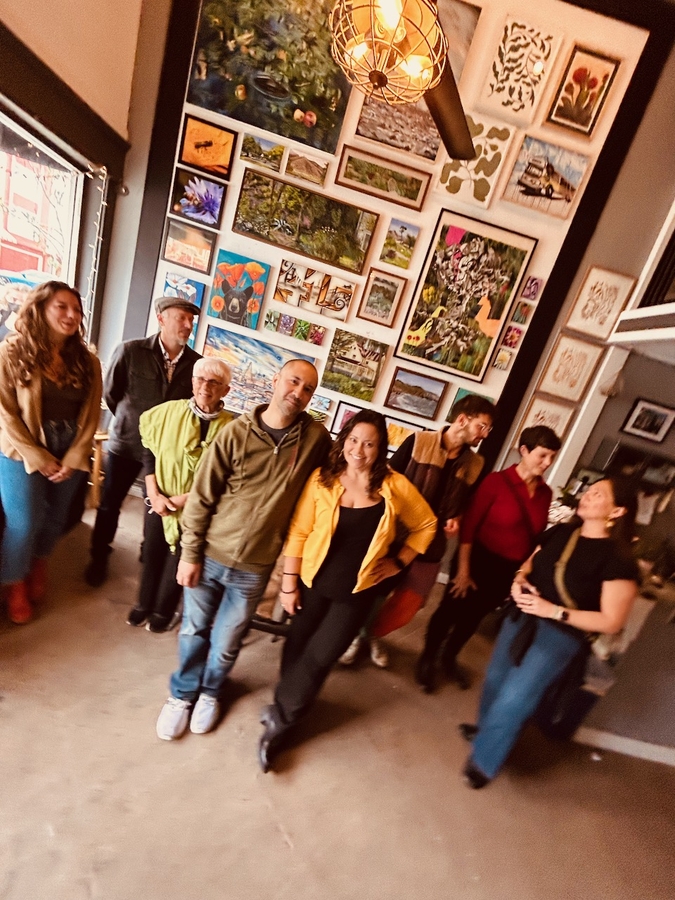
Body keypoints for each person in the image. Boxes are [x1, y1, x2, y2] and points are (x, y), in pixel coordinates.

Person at [155, 359, 332, 741]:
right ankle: (182, 694)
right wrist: (190, 553)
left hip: (255, 565)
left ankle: (210, 691)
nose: (298, 393)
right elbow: (202, 497)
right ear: (275, 380)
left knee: (227, 640)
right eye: (293, 382)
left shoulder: (316, 440)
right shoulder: (235, 433)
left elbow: (337, 478)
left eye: (308, 389)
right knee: (193, 630)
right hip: (211, 553)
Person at [257, 410, 437, 772]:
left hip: (357, 592)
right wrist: (288, 584)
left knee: (321, 655)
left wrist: (400, 561)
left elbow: (426, 524)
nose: (359, 449)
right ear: (344, 440)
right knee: (297, 648)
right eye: (354, 440)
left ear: (380, 448)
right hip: (311, 583)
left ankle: (279, 722)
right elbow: (299, 532)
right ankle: (290, 708)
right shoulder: (322, 479)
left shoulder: (394, 485)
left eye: (369, 443)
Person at [461, 476, 639, 788]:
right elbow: (530, 562)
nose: (587, 496)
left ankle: (484, 762)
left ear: (617, 511)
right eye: (589, 490)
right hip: (521, 617)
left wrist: (553, 611)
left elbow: (611, 621)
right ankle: (486, 732)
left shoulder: (619, 560)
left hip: (560, 635)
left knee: (516, 697)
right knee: (496, 680)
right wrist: (518, 580)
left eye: (598, 494)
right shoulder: (562, 532)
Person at [339, 394, 495, 668]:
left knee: (410, 603)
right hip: (395, 536)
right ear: (462, 420)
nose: (485, 434)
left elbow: (466, 503)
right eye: (482, 426)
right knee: (374, 591)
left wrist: (456, 518)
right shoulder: (419, 441)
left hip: (432, 545)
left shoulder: (476, 464)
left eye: (488, 429)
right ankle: (356, 637)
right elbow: (385, 481)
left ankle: (371, 634)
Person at [416, 425, 561, 692]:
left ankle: (448, 658)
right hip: (476, 559)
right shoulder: (496, 482)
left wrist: (521, 573)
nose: (548, 463)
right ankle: (427, 658)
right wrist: (463, 571)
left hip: (506, 569)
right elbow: (469, 527)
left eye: (552, 456)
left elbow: (535, 536)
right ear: (524, 450)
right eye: (542, 455)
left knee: (473, 618)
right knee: (449, 611)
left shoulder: (546, 493)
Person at [0, 281, 102, 623]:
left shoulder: (88, 361)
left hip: (70, 445)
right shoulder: (10, 352)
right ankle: (14, 581)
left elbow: (91, 413)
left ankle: (39, 562)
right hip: (20, 447)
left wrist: (75, 456)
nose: (72, 315)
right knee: (24, 522)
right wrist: (38, 457)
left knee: (56, 517)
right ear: (40, 308)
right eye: (62, 307)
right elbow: (5, 413)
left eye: (77, 310)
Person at [84, 296, 201, 587]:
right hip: (126, 443)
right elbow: (111, 394)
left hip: (166, 453)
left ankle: (148, 553)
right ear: (161, 319)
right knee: (110, 504)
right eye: (181, 318)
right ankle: (99, 557)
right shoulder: (130, 351)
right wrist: (131, 420)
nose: (188, 325)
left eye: (191, 320)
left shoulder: (196, 364)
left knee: (159, 507)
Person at [126, 358, 234, 633]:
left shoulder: (232, 430)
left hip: (198, 508)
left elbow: (225, 478)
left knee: (180, 558)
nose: (205, 387)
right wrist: (154, 493)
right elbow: (149, 453)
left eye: (214, 382)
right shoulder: (167, 413)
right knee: (152, 551)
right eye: (200, 379)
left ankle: (163, 610)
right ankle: (143, 604)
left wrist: (181, 501)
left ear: (226, 390)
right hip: (159, 498)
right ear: (192, 382)